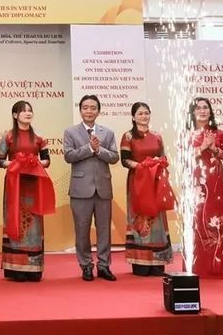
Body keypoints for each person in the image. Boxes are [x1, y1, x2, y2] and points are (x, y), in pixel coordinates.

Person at [63, 94, 119, 281]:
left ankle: (104, 266)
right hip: (80, 189)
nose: (89, 111)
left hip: (103, 188)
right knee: (82, 229)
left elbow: (114, 157)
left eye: (93, 107)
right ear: (80, 110)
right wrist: (89, 148)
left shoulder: (108, 133)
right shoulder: (71, 132)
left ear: (98, 110)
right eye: (85, 107)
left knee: (104, 229)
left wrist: (99, 150)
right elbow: (69, 156)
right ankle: (86, 265)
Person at [0, 101, 53, 282]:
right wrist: (17, 164)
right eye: (23, 111)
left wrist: (33, 163)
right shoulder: (8, 137)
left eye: (30, 111)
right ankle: (15, 268)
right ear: (15, 115)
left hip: (34, 184)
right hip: (15, 184)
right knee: (15, 220)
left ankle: (34, 266)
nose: (27, 114)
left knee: (34, 224)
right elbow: (0, 161)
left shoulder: (39, 137)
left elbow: (46, 160)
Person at [120, 102, 173, 276]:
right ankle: (140, 261)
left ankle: (158, 261)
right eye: (140, 113)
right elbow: (125, 160)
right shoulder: (128, 136)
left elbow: (163, 156)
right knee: (139, 216)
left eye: (146, 113)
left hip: (155, 181)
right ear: (133, 117)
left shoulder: (157, 136)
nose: (144, 116)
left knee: (157, 218)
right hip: (138, 181)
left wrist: (159, 163)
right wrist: (143, 166)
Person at [188, 97, 223, 278]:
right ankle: (198, 267)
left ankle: (218, 267)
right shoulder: (187, 134)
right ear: (192, 112)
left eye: (205, 107)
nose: (202, 110)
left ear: (210, 111)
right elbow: (184, 157)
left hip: (215, 183)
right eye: (198, 108)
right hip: (195, 182)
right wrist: (202, 147)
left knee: (216, 221)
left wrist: (214, 149)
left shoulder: (219, 133)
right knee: (197, 220)